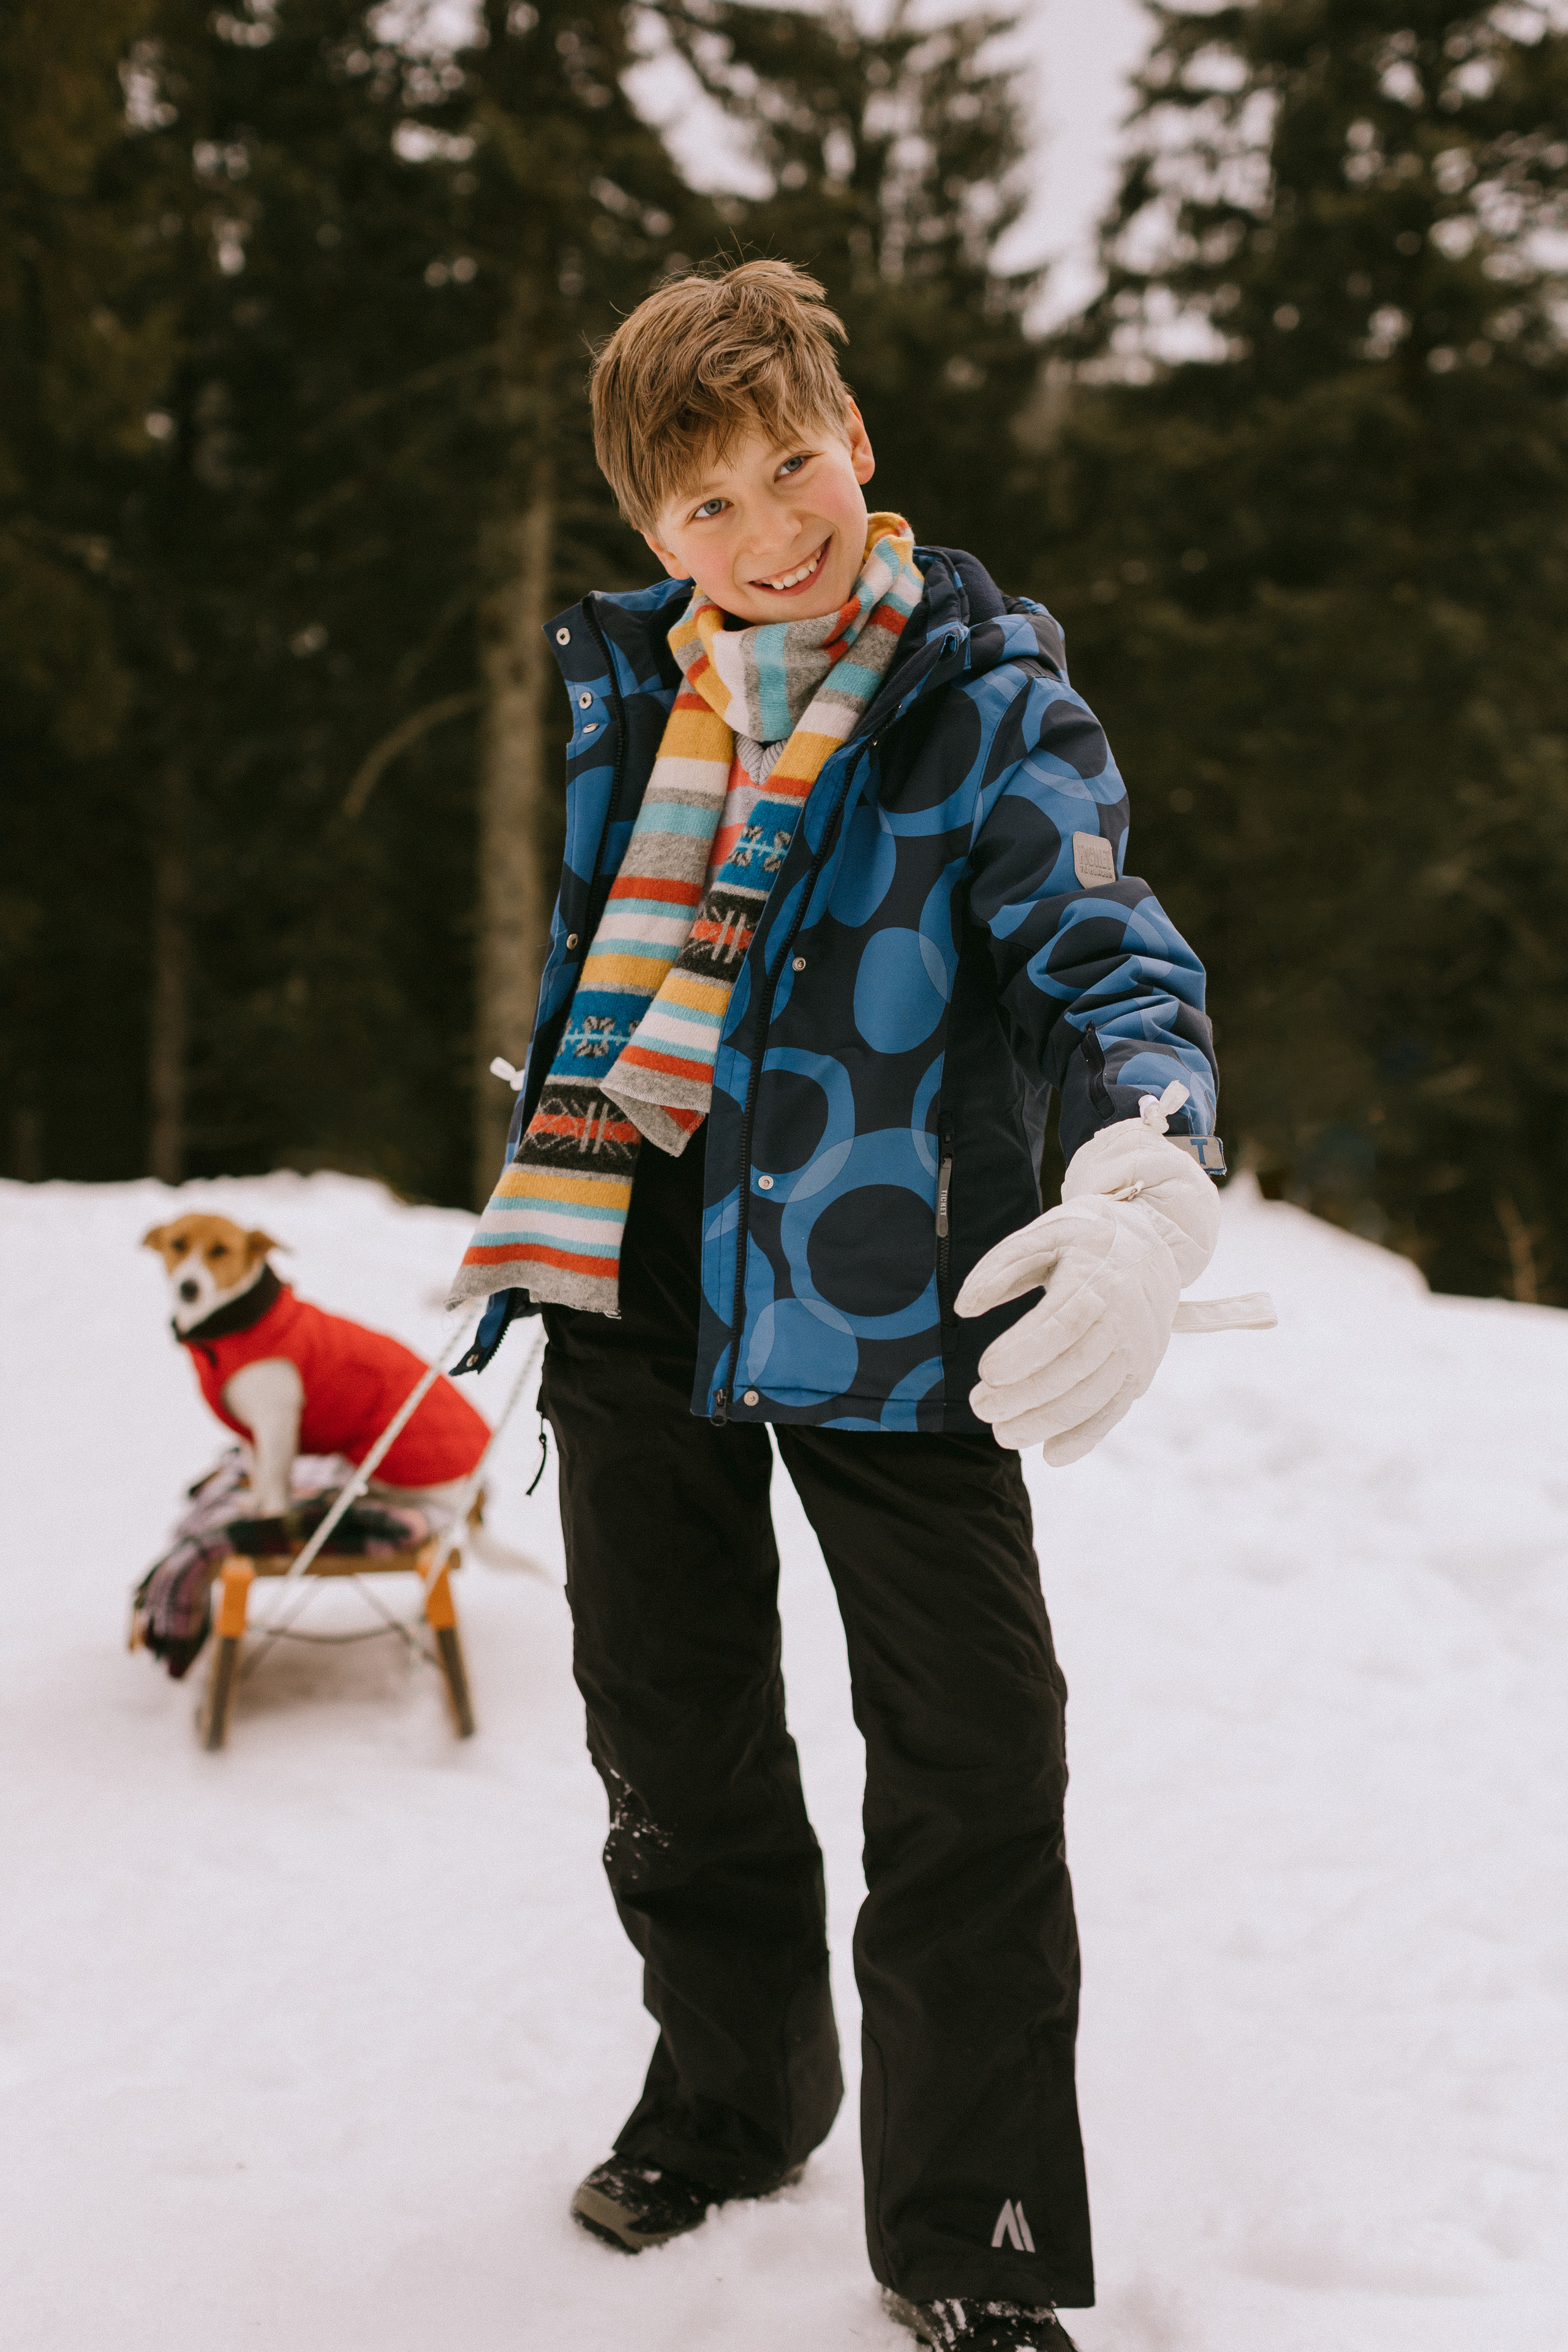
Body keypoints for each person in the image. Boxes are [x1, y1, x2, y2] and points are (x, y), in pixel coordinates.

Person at [450, 259, 1230, 2352]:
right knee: (672, 1738)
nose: (768, 530)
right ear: (650, 533)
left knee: (973, 1758)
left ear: (857, 443)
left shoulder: (985, 700)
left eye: (793, 466)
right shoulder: (639, 687)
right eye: (708, 506)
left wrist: (1147, 1164)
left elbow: (1101, 948)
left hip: (893, 1298)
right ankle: (731, 2098)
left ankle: (969, 2232)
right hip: (632, 1271)